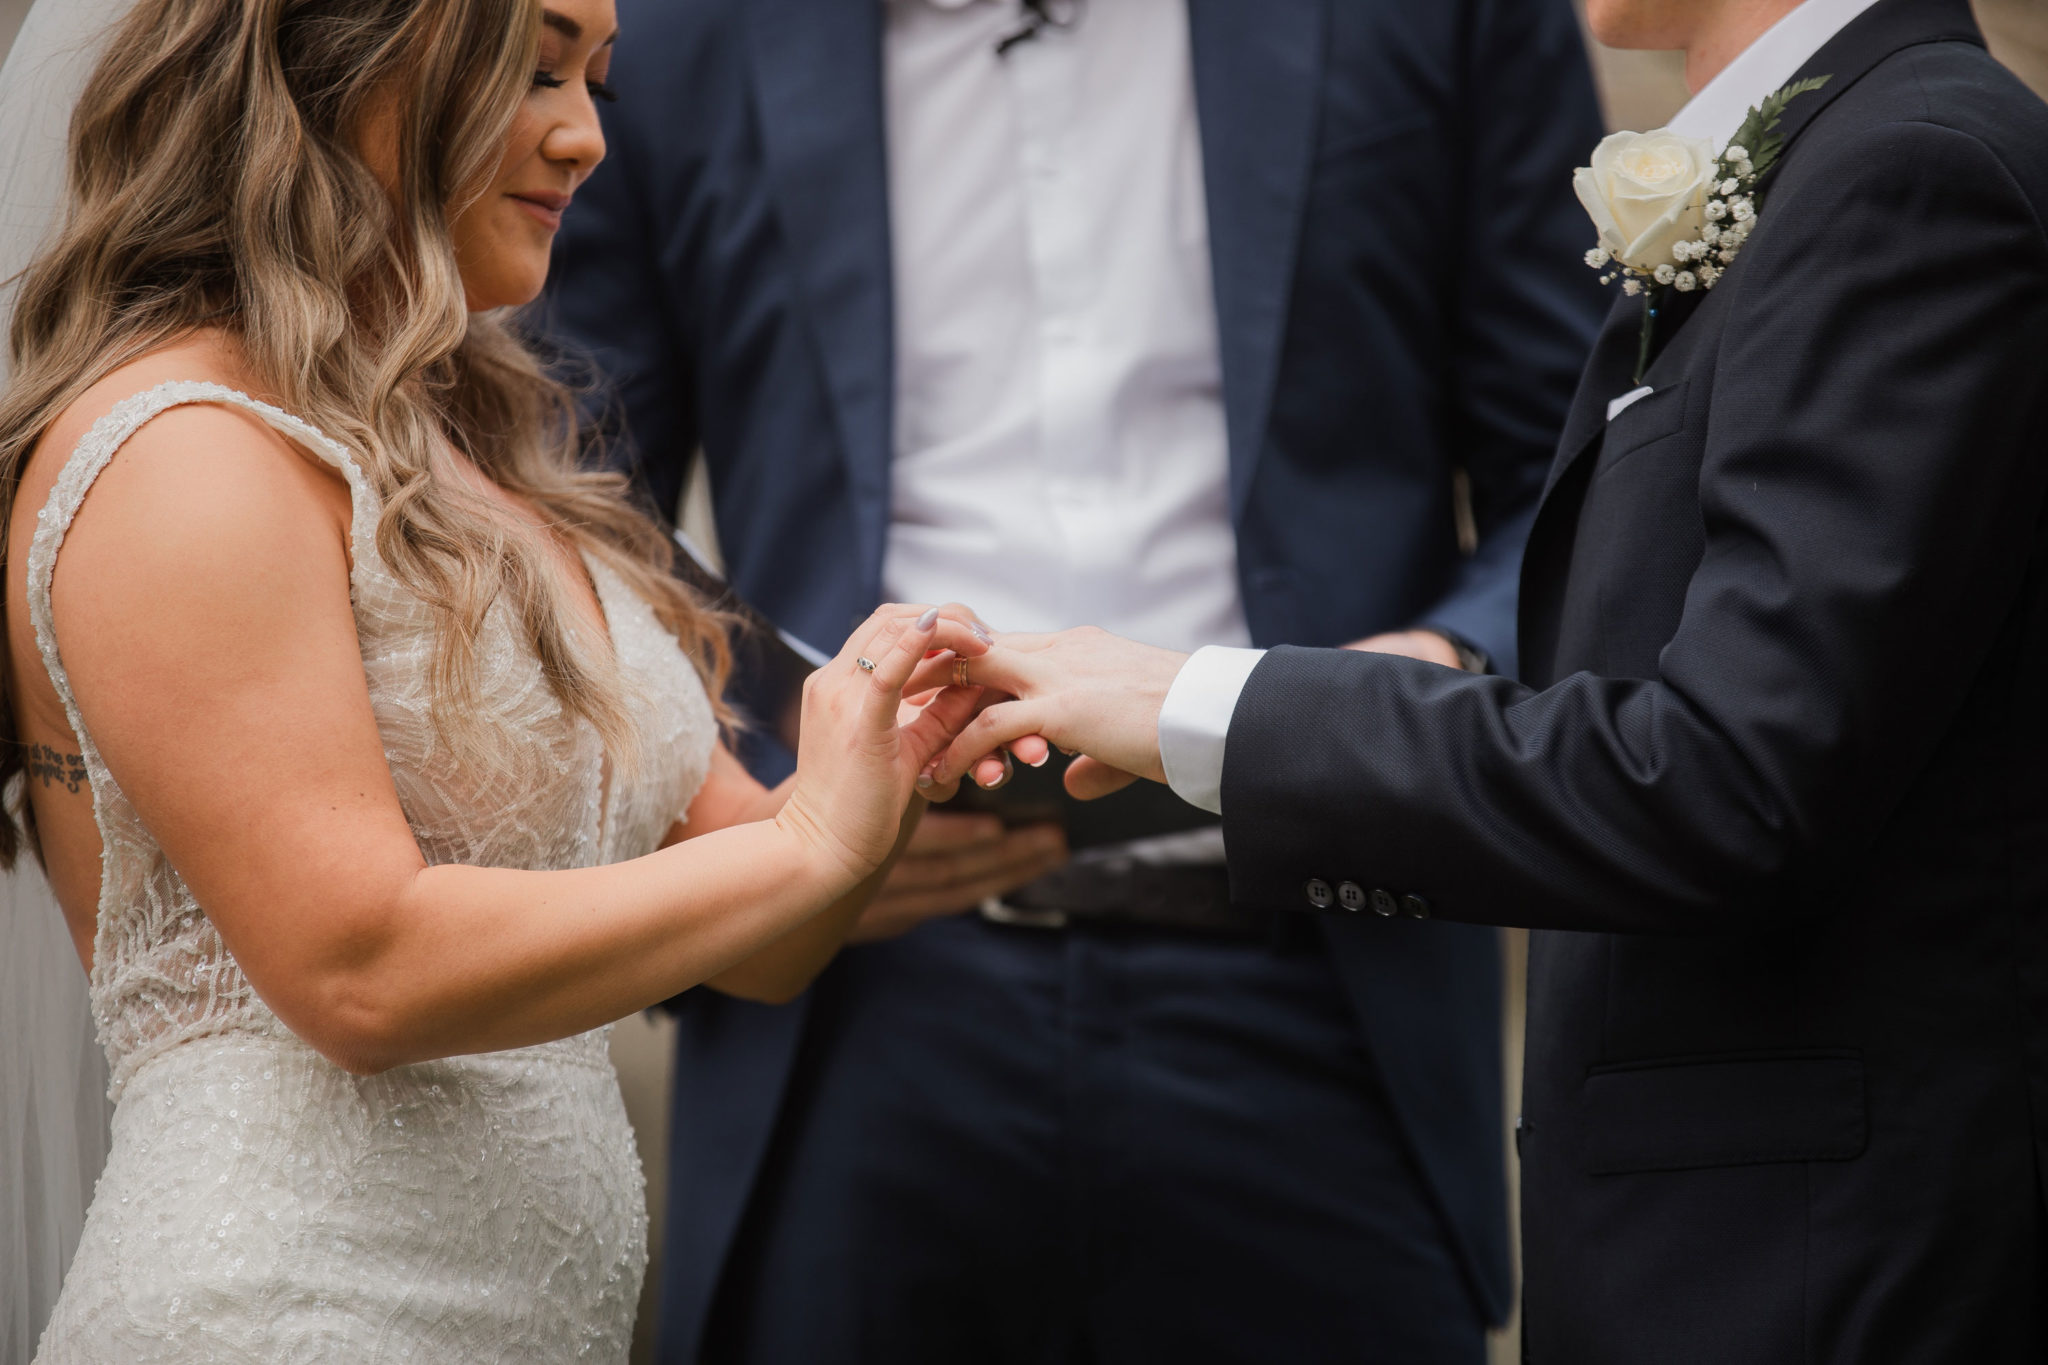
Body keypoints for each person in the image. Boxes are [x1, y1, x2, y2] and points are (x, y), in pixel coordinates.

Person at [932, 0, 2048, 1359]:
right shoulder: (1835, 161)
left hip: (1827, 1271)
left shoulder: (1917, 170)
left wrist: (1210, 705)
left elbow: (1727, 783)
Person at [543, 0, 1604, 1360]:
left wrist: (1429, 672)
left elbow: (1585, 470)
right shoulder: (670, 31)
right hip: (850, 1003)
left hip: (1313, 969)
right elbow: (561, 486)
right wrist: (734, 817)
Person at [0, 0, 994, 1359]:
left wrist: (893, 748)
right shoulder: (183, 450)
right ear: (346, 59)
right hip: (277, 1315)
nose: (586, 136)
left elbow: (765, 934)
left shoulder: (487, 455)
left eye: (596, 76)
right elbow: (359, 967)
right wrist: (814, 841)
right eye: (535, 69)